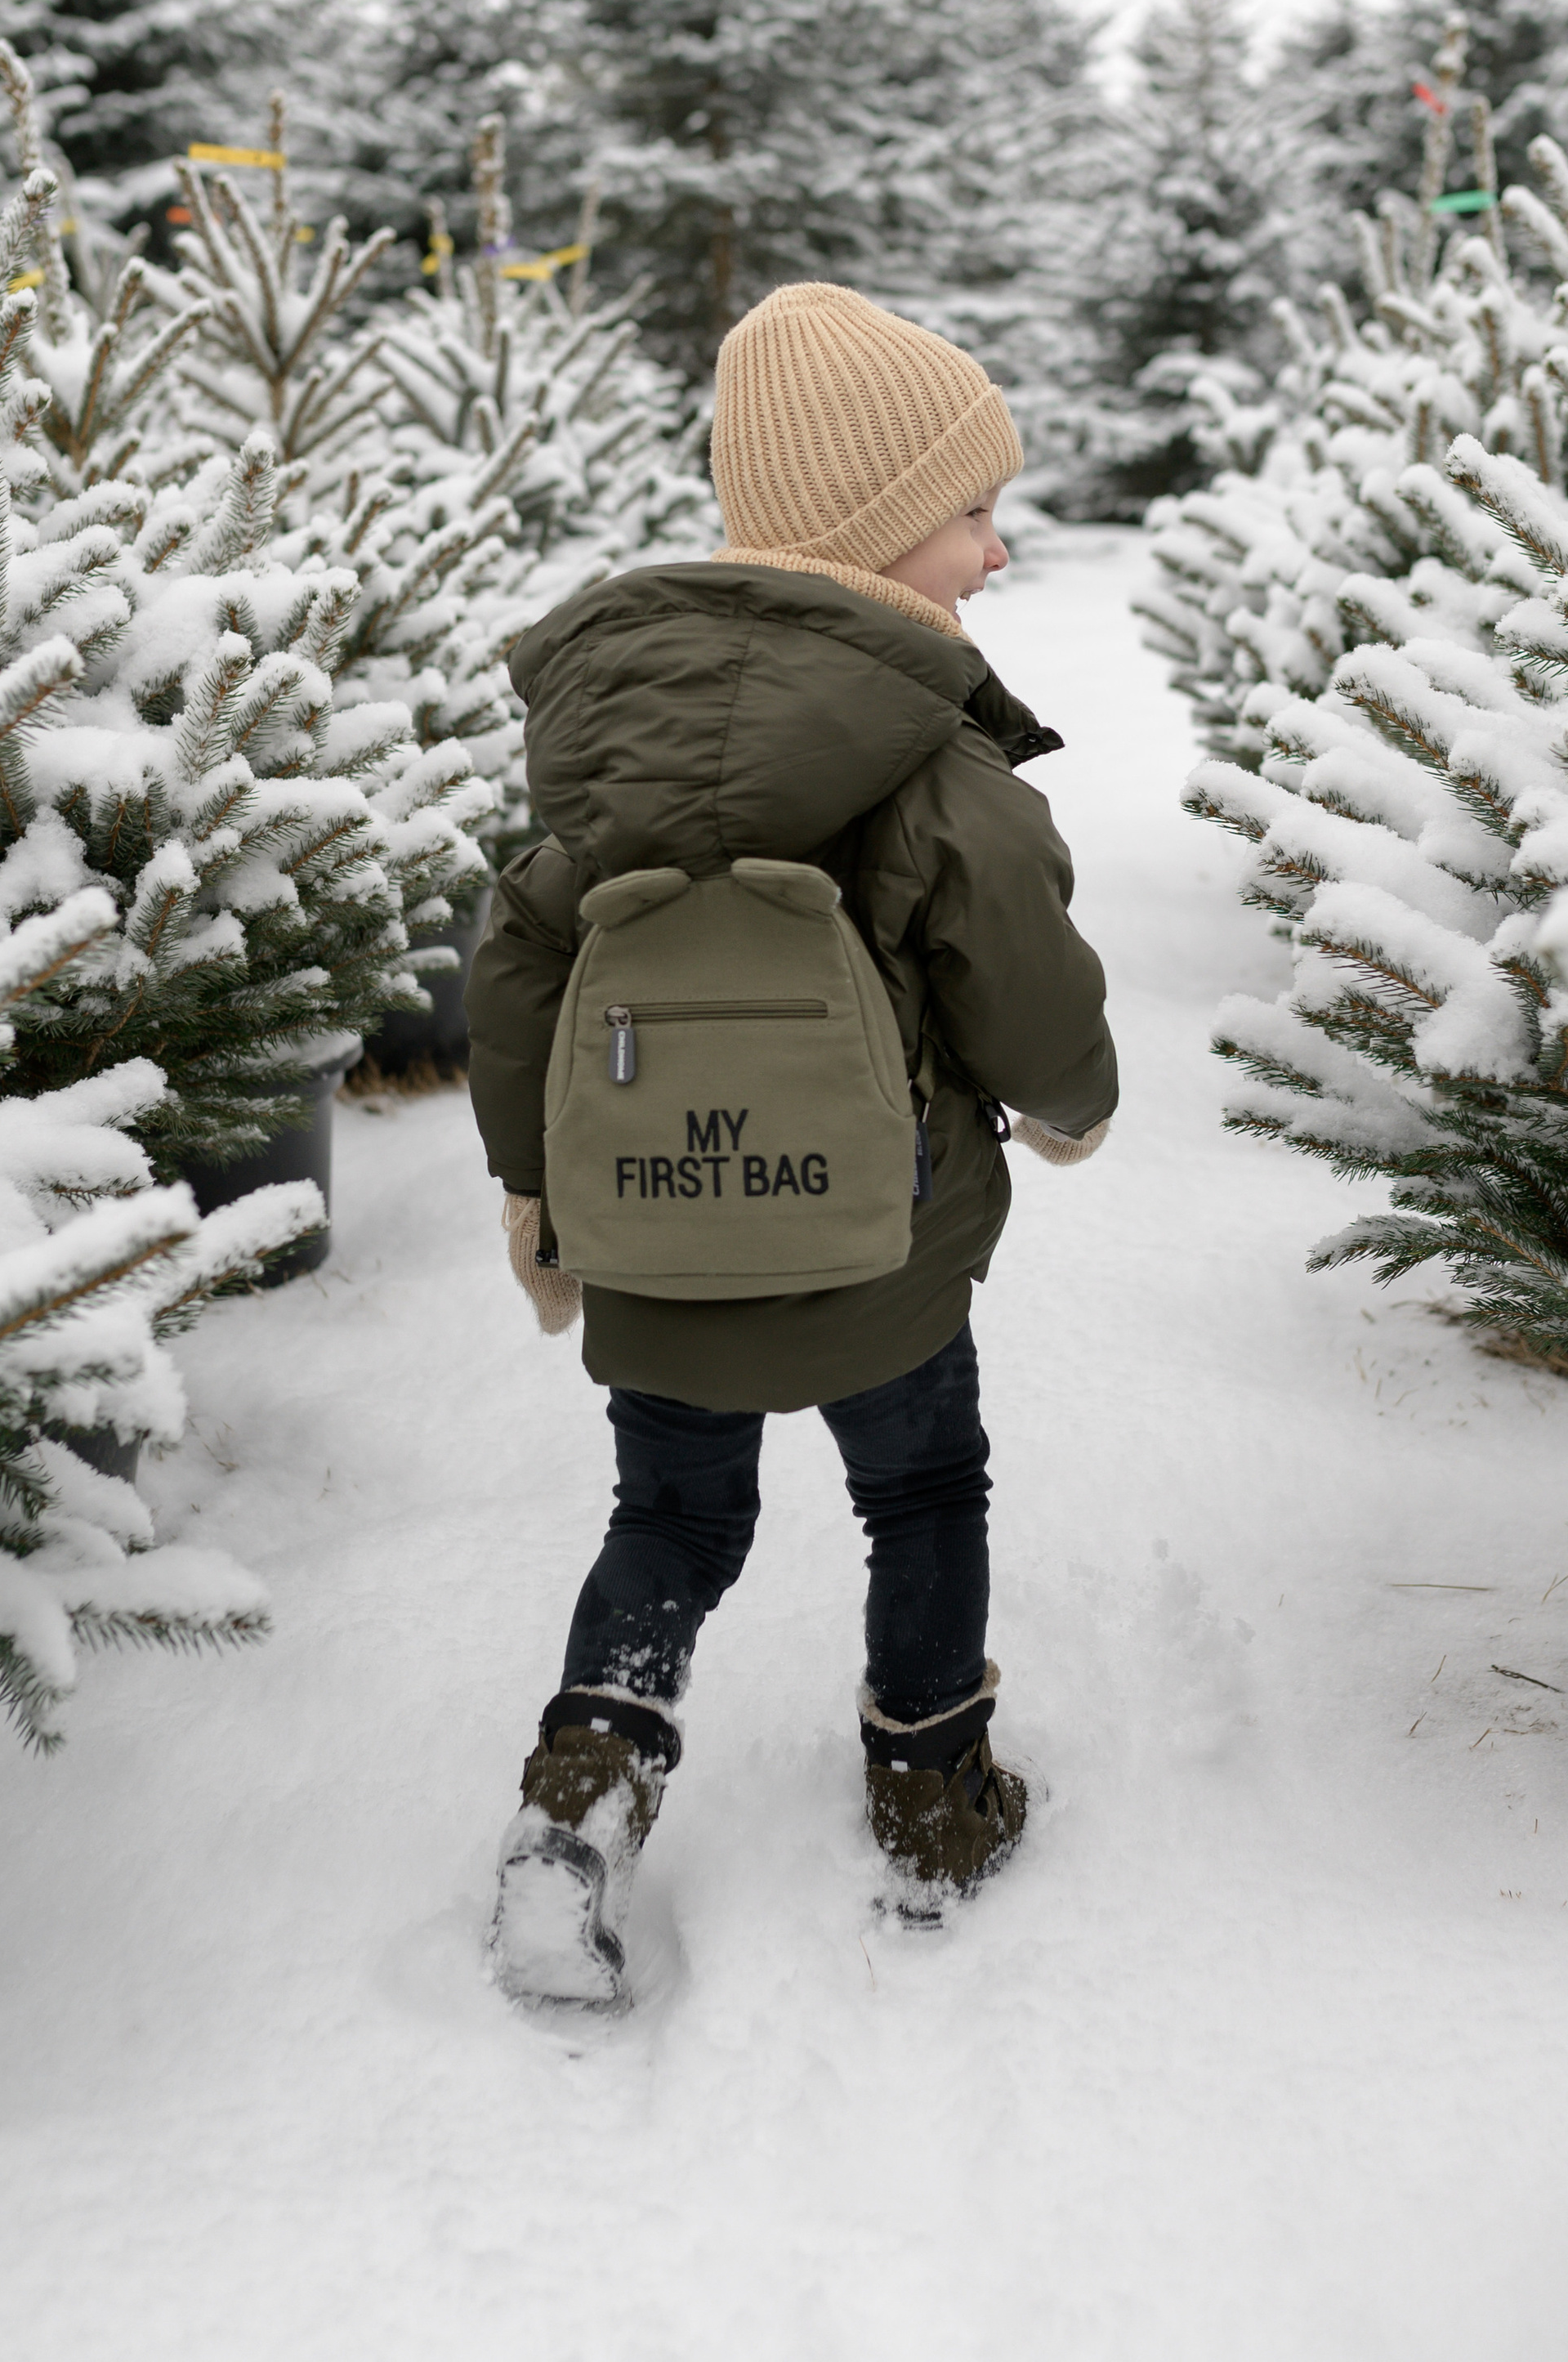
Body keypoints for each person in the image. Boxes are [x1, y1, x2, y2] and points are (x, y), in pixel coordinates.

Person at [465, 279, 1118, 2008]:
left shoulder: (609, 737)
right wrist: (1070, 1099)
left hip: (656, 1236)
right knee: (919, 1489)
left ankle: (578, 1809)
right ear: (873, 527)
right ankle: (934, 1796)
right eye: (970, 511)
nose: (993, 550)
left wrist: (536, 1179)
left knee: (669, 1518)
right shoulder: (925, 750)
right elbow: (1019, 966)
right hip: (878, 1249)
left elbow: (523, 955)